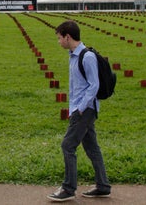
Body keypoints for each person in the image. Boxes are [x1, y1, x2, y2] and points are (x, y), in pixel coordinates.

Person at [47, 20, 111, 202]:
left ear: (68, 37)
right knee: (91, 147)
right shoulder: (73, 55)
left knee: (68, 145)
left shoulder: (87, 56)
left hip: (85, 109)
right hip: (79, 108)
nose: (59, 42)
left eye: (60, 38)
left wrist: (80, 109)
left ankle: (68, 188)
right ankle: (103, 186)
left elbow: (94, 85)